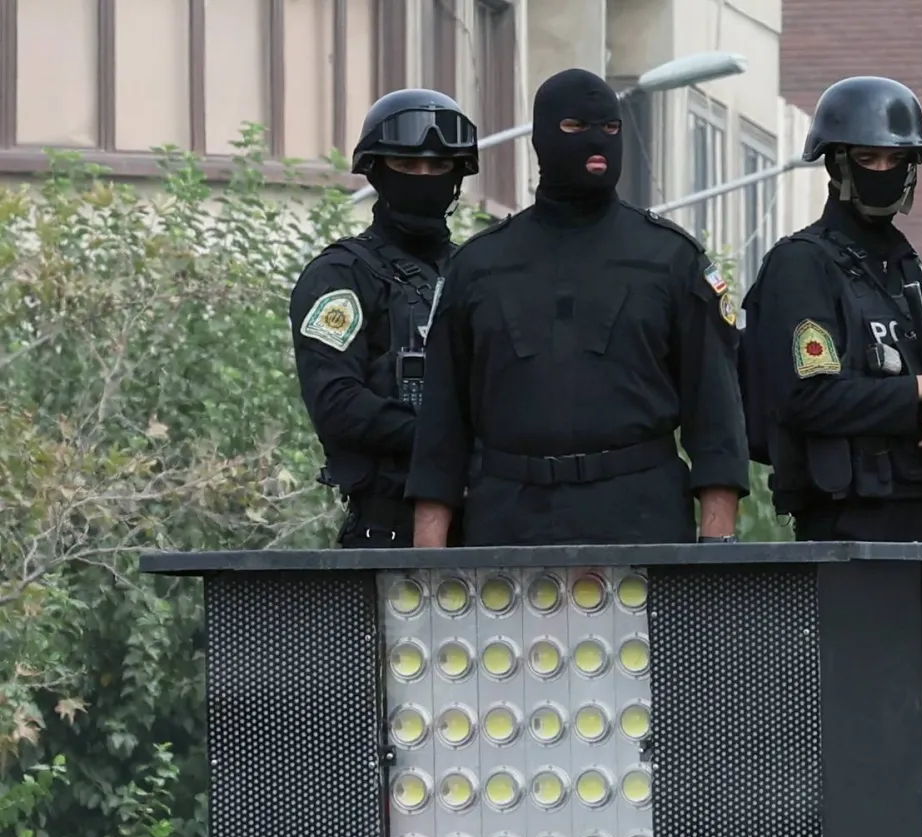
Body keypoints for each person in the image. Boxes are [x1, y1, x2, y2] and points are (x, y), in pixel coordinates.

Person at [739, 75, 922, 787]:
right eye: (868, 157)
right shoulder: (803, 265)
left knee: (910, 755)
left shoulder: (905, 266)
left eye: (898, 158)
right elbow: (805, 399)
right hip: (849, 537)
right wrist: (913, 394)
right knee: (854, 757)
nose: (885, 171)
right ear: (836, 162)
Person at [404, 68, 749, 548]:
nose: (597, 141)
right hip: (507, 525)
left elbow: (716, 420)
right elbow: (441, 429)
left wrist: (716, 549)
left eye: (610, 128)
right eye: (575, 127)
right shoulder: (479, 265)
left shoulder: (672, 259)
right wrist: (429, 560)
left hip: (640, 521)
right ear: (543, 137)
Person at [289, 89, 479, 548]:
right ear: (376, 171)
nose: (424, 177)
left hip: (488, 524)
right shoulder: (342, 275)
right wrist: (441, 434)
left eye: (439, 166)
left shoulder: (478, 271)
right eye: (407, 165)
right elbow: (337, 404)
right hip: (388, 527)